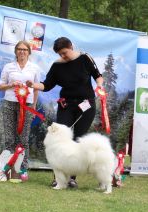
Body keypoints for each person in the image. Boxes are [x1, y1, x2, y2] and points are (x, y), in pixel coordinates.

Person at [27, 37, 104, 188]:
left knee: (79, 139)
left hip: (86, 105)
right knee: (60, 140)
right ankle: (58, 178)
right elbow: (47, 85)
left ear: (71, 47)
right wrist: (33, 85)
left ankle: (72, 178)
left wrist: (99, 87)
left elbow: (98, 76)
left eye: (65, 52)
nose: (63, 56)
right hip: (66, 105)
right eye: (60, 54)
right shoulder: (57, 66)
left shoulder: (85, 58)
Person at [0, 40, 40, 180]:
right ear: (15, 51)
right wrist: (11, 84)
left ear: (29, 52)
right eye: (19, 49)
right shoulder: (8, 67)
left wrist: (33, 106)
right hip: (9, 103)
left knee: (23, 138)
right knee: (9, 138)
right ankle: (5, 169)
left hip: (26, 106)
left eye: (25, 49)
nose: (22, 51)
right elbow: (0, 86)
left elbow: (36, 89)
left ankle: (22, 169)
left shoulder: (34, 68)